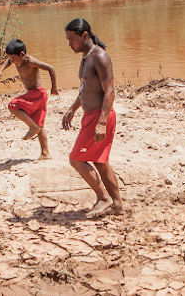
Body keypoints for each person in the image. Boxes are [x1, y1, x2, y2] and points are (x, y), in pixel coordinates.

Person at [62, 18, 123, 218]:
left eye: (72, 40)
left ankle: (103, 198)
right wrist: (73, 109)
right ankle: (118, 205)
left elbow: (110, 92)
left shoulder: (100, 57)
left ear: (85, 35)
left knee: (76, 160)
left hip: (100, 117)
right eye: (68, 40)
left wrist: (102, 122)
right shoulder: (86, 57)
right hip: (90, 116)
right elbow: (85, 89)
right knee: (99, 161)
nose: (70, 44)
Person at [0, 39, 59, 160]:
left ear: (22, 54)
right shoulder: (16, 60)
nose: (13, 62)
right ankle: (45, 153)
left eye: (14, 59)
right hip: (35, 94)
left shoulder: (30, 61)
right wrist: (0, 70)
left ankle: (32, 127)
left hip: (37, 93)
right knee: (39, 125)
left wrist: (54, 87)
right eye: (11, 59)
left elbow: (51, 68)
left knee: (12, 105)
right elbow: (7, 61)